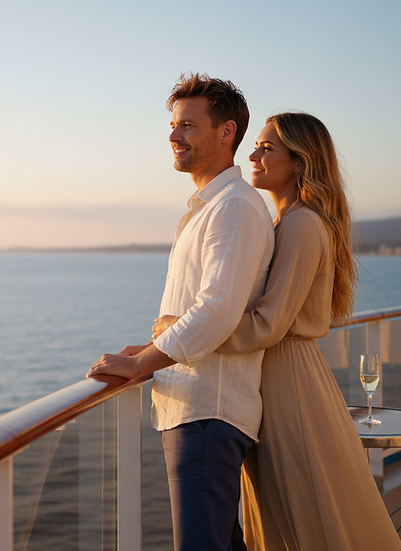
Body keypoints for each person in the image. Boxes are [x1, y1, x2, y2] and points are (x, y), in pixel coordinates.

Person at [153, 112, 401, 549]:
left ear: (301, 161)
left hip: (289, 383)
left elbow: (268, 324)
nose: (253, 155)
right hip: (278, 375)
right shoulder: (286, 221)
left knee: (302, 511)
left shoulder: (303, 225)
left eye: (267, 148)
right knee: (283, 513)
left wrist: (179, 332)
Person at [88, 73, 274, 551]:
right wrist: (151, 349)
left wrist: (140, 363)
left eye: (188, 125)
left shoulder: (233, 206)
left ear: (226, 131)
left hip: (207, 413)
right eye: (174, 125)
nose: (173, 136)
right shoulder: (213, 205)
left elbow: (216, 312)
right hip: (197, 411)